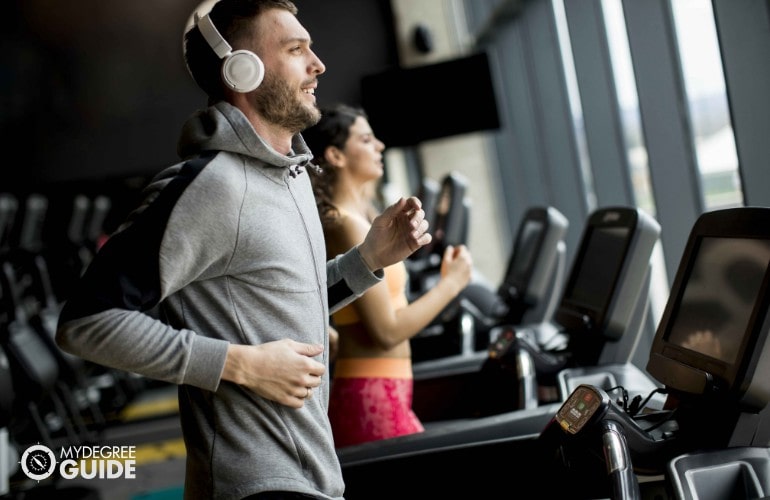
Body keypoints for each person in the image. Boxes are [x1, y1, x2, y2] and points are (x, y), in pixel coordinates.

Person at [55, 2, 431, 499]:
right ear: (242, 69)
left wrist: (368, 260)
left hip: (312, 474)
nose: (318, 64)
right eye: (296, 50)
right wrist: (240, 364)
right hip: (255, 485)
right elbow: (86, 323)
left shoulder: (292, 176)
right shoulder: (209, 188)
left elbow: (285, 302)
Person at [303, 104, 473, 447]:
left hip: (385, 391)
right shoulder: (345, 224)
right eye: (366, 140)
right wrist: (451, 284)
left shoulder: (360, 216)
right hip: (372, 397)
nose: (380, 146)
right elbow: (387, 331)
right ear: (336, 155)